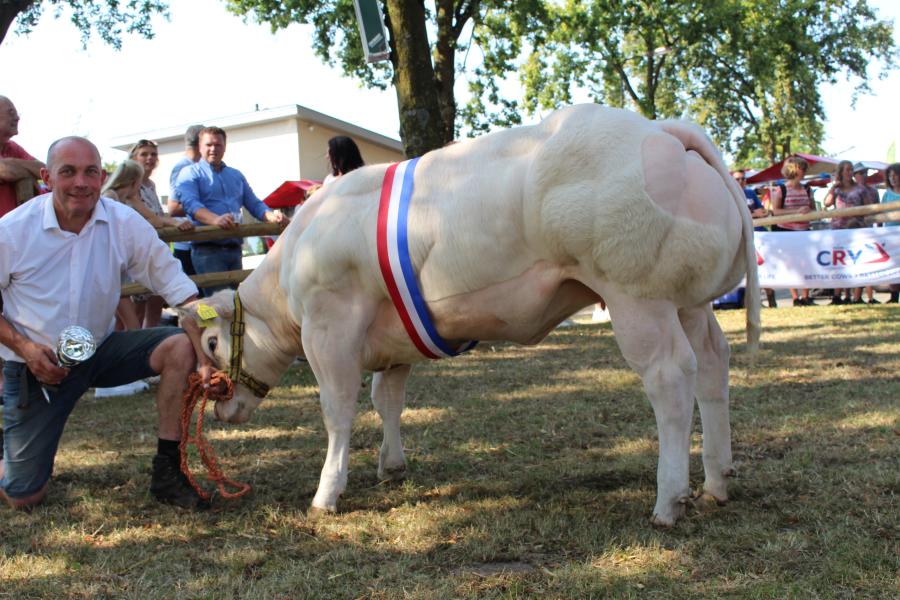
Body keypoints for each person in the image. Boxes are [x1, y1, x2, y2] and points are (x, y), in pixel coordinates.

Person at [0, 136, 213, 510]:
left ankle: (168, 471)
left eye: (90, 172)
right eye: (68, 172)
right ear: (47, 177)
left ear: (102, 177)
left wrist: (206, 357)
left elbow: (183, 294)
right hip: (37, 365)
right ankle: (12, 456)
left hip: (99, 349)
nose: (80, 183)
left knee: (179, 345)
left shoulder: (123, 222)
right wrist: (27, 349)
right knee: (25, 496)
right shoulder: (13, 230)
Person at [175, 126, 288, 296]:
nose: (213, 149)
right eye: (208, 145)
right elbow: (190, 204)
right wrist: (215, 220)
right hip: (207, 250)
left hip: (234, 249)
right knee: (217, 304)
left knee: (234, 301)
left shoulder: (236, 175)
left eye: (218, 145)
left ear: (225, 147)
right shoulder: (189, 173)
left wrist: (272, 216)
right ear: (200, 147)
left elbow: (254, 203)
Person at [770, 156, 816, 306]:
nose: (805, 171)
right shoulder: (781, 189)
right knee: (791, 264)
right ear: (794, 170)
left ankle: (806, 296)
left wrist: (808, 211)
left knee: (806, 263)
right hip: (786, 231)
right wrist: (796, 211)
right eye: (802, 168)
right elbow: (775, 211)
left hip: (804, 230)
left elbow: (814, 209)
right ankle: (795, 297)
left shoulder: (807, 189)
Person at [733, 169, 777, 308]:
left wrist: (761, 213)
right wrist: (753, 214)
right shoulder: (729, 194)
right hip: (742, 236)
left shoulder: (751, 193)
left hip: (760, 235)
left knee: (765, 268)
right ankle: (751, 301)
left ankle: (771, 298)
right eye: (737, 179)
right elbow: (734, 215)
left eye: (743, 179)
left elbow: (762, 210)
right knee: (748, 270)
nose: (741, 182)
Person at [824, 160, 866, 304]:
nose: (849, 172)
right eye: (846, 170)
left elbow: (868, 207)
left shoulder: (860, 189)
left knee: (858, 261)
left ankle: (857, 296)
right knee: (839, 262)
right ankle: (837, 296)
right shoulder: (836, 189)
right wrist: (833, 188)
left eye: (851, 169)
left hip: (856, 228)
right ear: (841, 172)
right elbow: (827, 203)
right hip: (839, 229)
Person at [168, 125, 205, 280]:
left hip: (199, 241)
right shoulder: (183, 167)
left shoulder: (199, 165)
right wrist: (206, 209)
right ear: (200, 143)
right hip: (187, 244)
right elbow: (173, 208)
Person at [0, 96, 44, 219]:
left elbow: (44, 171)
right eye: (11, 113)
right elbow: (5, 170)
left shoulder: (12, 147)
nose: (17, 118)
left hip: (16, 228)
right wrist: (29, 174)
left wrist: (11, 162)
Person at [852, 164, 881, 304]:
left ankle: (867, 297)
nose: (863, 175)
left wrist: (879, 228)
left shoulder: (873, 191)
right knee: (857, 265)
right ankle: (856, 297)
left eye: (865, 172)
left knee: (868, 264)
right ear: (854, 175)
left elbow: (877, 211)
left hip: (869, 231)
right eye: (860, 173)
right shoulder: (851, 190)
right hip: (852, 232)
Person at [882, 162, 900, 303]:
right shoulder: (886, 194)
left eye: (895, 175)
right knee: (892, 266)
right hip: (890, 235)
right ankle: (893, 297)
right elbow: (881, 214)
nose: (893, 178)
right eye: (890, 176)